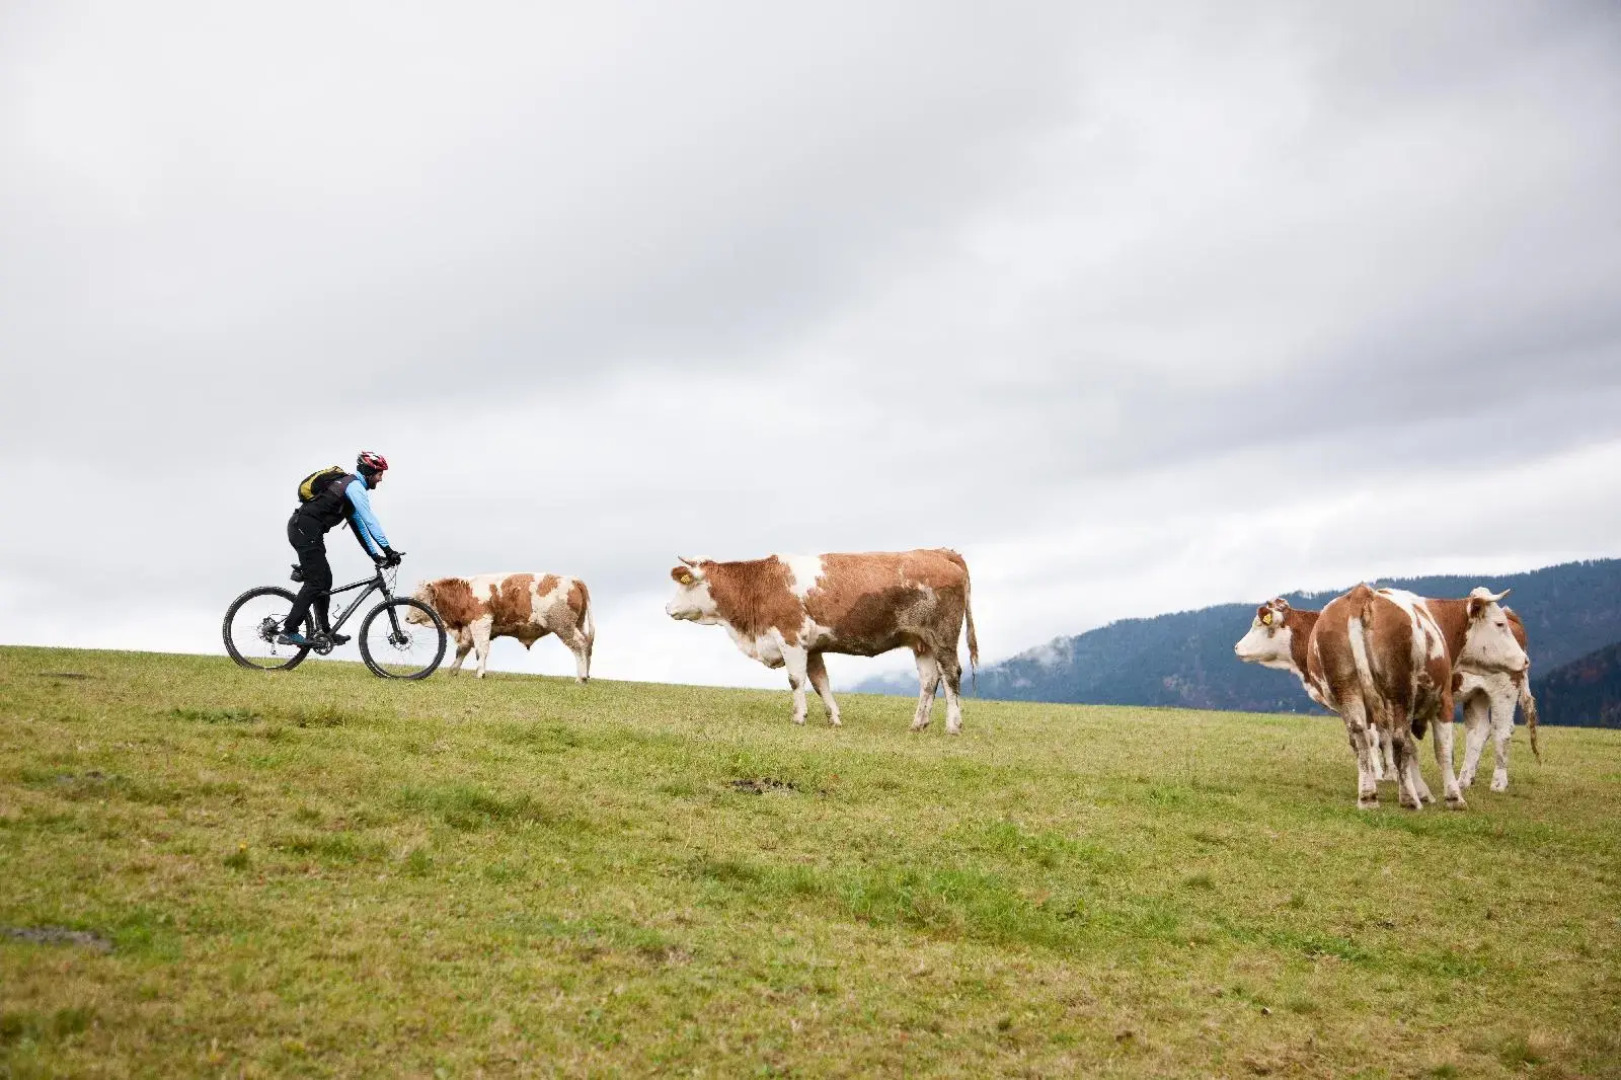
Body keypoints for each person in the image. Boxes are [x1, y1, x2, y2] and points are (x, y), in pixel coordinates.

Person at [279, 451, 402, 647]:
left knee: (324, 580)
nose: (380, 479)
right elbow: (370, 521)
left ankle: (323, 630)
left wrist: (376, 556)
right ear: (370, 471)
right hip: (303, 529)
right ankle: (289, 630)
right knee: (316, 581)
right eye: (379, 474)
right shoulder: (354, 487)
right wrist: (388, 550)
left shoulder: (349, 493)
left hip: (306, 531)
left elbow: (361, 528)